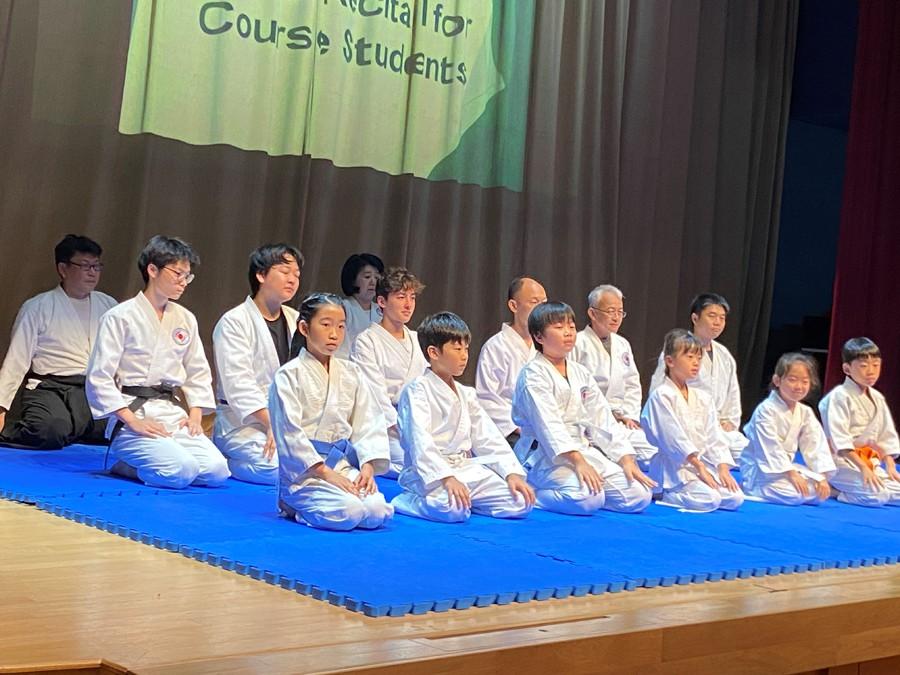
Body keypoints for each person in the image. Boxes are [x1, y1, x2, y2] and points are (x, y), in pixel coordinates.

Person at [85, 235, 230, 489]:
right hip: (132, 416)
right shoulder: (119, 317)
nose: (183, 282)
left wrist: (195, 416)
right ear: (152, 270)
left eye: (187, 276)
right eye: (178, 273)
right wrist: (132, 421)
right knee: (181, 470)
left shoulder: (185, 318)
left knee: (217, 471)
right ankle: (127, 467)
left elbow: (197, 371)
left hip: (172, 414)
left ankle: (155, 462)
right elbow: (99, 377)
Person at [511, 302, 655, 516]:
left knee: (639, 495)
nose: (568, 332)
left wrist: (625, 458)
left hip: (581, 447)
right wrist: (578, 462)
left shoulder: (580, 372)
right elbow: (548, 425)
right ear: (539, 336)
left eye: (571, 326)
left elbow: (602, 417)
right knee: (587, 497)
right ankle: (534, 492)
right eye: (559, 327)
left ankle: (592, 493)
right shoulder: (533, 374)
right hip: (543, 454)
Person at [392, 312, 535, 522]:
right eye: (457, 349)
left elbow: (487, 437)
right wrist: (446, 477)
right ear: (433, 352)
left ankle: (468, 500)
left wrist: (510, 472)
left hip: (464, 467)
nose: (464, 356)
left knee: (520, 501)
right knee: (452, 509)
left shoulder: (465, 393)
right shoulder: (417, 391)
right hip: (428, 473)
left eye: (466, 349)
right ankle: (407, 500)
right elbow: (419, 441)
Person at [270, 292, 393, 531]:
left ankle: (331, 501)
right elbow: (289, 434)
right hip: (305, 473)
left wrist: (367, 466)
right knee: (351, 511)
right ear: (304, 328)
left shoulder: (351, 372)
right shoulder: (288, 375)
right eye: (326, 325)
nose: (334, 334)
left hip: (342, 464)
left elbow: (368, 422)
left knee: (376, 511)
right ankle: (293, 505)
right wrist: (325, 473)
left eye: (341, 326)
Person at [0, 235, 117, 449]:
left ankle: (74, 428)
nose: (92, 272)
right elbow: (16, 361)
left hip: (92, 388)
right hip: (50, 388)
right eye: (85, 266)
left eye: (96, 266)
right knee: (50, 429)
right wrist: (1, 408)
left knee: (116, 430)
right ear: (63, 269)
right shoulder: (37, 307)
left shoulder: (110, 306)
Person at [212, 244, 302, 484]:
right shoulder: (234, 321)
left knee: (315, 462)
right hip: (243, 423)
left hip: (287, 421)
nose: (292, 280)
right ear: (261, 275)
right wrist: (272, 423)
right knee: (277, 468)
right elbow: (238, 385)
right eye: (285, 272)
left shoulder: (296, 320)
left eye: (296, 274)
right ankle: (226, 459)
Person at [641, 329, 744, 512]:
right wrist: (699, 467)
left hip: (701, 464)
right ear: (670, 361)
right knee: (711, 500)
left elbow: (714, 436)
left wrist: (722, 468)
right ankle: (667, 494)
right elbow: (674, 438)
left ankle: (700, 485)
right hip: (675, 468)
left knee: (735, 498)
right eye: (689, 357)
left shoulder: (703, 397)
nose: (696, 362)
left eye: (699, 357)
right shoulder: (662, 395)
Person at [650, 293, 748, 460]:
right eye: (712, 316)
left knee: (751, 454)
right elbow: (658, 389)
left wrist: (730, 422)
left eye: (722, 318)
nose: (717, 322)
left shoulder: (724, 355)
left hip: (719, 428)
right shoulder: (677, 350)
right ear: (695, 318)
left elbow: (733, 393)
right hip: (686, 424)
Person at [350, 267, 427, 475]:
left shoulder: (417, 339)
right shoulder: (367, 341)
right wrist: (402, 429)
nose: (408, 304)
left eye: (412, 297)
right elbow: (374, 395)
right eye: (401, 297)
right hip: (385, 426)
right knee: (413, 465)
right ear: (382, 302)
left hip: (416, 420)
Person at [571, 284, 656, 468]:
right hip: (593, 422)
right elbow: (573, 390)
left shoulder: (622, 344)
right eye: (611, 311)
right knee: (617, 461)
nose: (616, 317)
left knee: (655, 454)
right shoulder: (577, 343)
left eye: (620, 312)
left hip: (622, 420)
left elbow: (632, 384)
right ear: (592, 313)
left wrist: (630, 416)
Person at [741, 353, 835, 505]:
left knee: (817, 493)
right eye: (792, 380)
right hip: (762, 470)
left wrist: (821, 476)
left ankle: (797, 488)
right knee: (794, 495)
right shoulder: (765, 410)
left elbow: (815, 444)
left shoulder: (805, 411)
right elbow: (769, 447)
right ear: (777, 380)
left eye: (805, 381)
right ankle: (755, 489)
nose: (799, 387)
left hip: (787, 469)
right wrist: (791, 473)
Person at [819, 337, 900, 507]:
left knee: (891, 492)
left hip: (867, 460)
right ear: (847, 368)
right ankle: (836, 491)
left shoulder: (877, 397)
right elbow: (840, 441)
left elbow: (886, 436)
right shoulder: (838, 396)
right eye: (863, 366)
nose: (871, 371)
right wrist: (863, 468)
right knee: (877, 496)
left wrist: (891, 466)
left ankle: (856, 488)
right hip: (839, 461)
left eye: (876, 365)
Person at [475, 276, 547, 444]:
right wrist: (520, 428)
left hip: (546, 426)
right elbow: (487, 398)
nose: (541, 309)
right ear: (514, 306)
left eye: (544, 303)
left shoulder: (547, 344)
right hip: (513, 432)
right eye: (534, 302)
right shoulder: (496, 346)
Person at [334, 253, 385, 358]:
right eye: (367, 277)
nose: (373, 282)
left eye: (376, 277)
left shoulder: (381, 310)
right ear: (353, 280)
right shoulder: (343, 308)